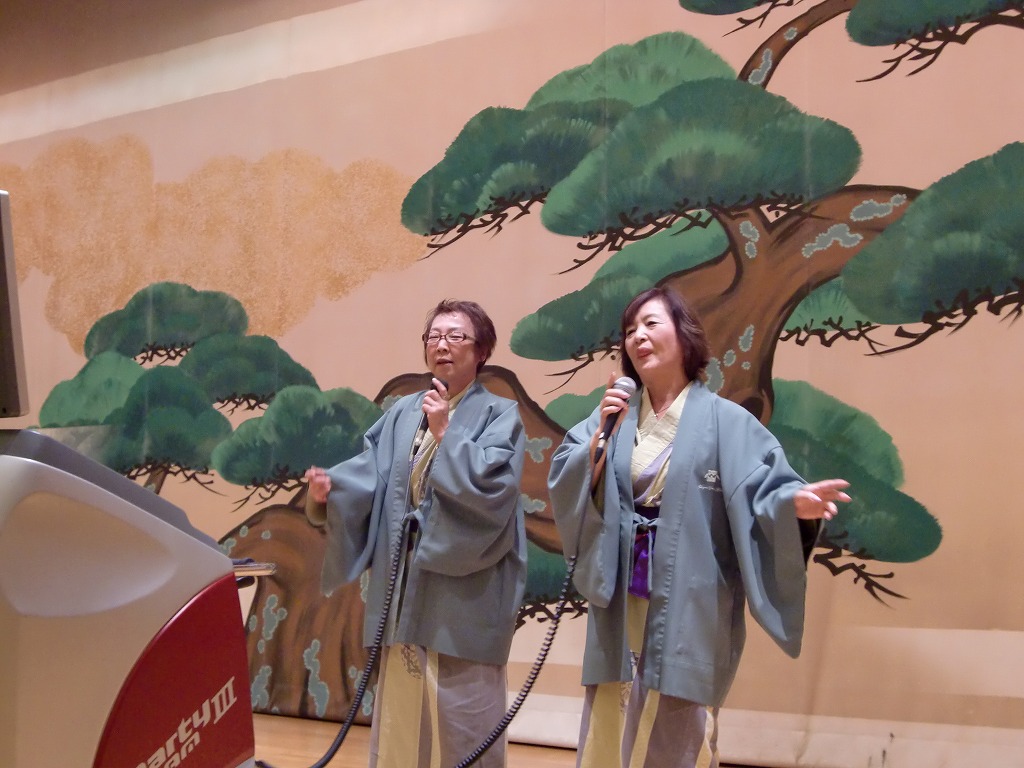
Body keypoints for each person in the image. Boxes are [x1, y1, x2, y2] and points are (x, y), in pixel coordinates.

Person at [547, 286, 850, 768]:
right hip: (621, 588)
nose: (637, 337)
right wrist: (598, 439)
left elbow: (763, 486)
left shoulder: (726, 420)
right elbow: (567, 475)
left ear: (684, 335)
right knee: (612, 708)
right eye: (629, 330)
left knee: (677, 719)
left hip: (689, 589)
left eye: (651, 324)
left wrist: (790, 503)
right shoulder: (614, 413)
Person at [305, 299, 527, 768]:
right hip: (403, 578)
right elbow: (371, 474)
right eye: (434, 336)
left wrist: (447, 433)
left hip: (463, 586)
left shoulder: (499, 414)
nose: (442, 345)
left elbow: (495, 492)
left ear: (482, 350)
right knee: (403, 720)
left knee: (462, 715)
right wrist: (331, 492)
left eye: (455, 336)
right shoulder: (404, 412)